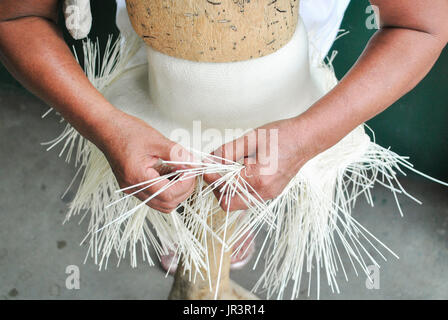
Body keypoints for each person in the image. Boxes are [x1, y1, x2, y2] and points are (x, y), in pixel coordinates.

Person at [1, 0, 447, 299]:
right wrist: (107, 126)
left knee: (248, 180)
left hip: (288, 76)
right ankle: (193, 242)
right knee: (180, 192)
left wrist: (306, 137)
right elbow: (16, 16)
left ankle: (221, 239)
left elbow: (423, 23)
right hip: (155, 76)